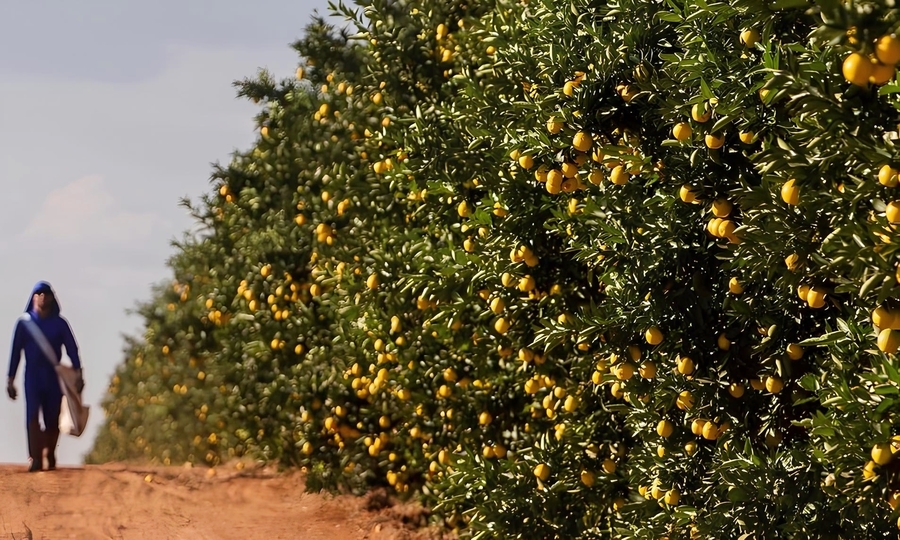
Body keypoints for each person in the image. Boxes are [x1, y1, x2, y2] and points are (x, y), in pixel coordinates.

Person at [6, 281, 84, 472]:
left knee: (52, 417)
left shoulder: (60, 324)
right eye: (38, 293)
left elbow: (72, 349)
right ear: (33, 297)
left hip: (53, 379)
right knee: (32, 416)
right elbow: (16, 352)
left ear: (51, 298)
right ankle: (35, 457)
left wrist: (79, 374)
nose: (42, 297)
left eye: (46, 294)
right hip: (32, 376)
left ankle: (49, 452)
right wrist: (10, 379)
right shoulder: (24, 324)